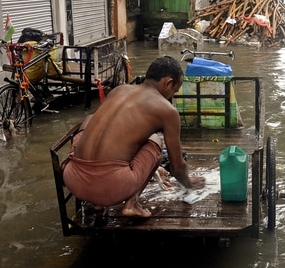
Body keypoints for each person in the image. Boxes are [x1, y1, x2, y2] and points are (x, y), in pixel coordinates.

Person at [62, 56, 205, 217]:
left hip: (73, 180)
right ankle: (132, 204)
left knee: (89, 120)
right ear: (168, 83)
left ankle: (97, 205)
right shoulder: (167, 111)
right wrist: (188, 184)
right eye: (174, 90)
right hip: (112, 187)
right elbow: (177, 167)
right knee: (156, 141)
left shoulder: (119, 90)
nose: (172, 96)